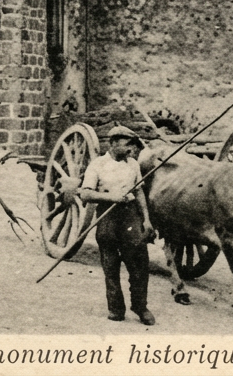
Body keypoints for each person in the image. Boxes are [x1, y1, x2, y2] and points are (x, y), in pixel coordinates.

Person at [79, 125, 155, 324]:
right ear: (112, 143)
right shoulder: (98, 165)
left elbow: (139, 191)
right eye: (127, 144)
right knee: (111, 264)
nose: (131, 148)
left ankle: (140, 306)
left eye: (133, 145)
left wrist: (146, 219)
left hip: (130, 215)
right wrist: (111, 197)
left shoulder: (133, 164)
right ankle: (116, 308)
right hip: (107, 215)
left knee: (139, 262)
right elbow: (85, 194)